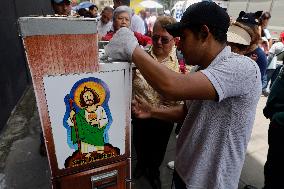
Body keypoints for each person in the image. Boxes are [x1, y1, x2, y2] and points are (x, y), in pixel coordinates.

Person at [105, 1, 261, 188]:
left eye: (184, 38)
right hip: (184, 171)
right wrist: (152, 111)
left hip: (210, 182)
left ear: (204, 33)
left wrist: (131, 48)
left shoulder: (242, 67)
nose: (179, 47)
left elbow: (172, 87)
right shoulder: (199, 69)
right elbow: (187, 112)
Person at [132, 16, 181, 189]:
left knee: (158, 148)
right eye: (155, 37)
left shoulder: (183, 63)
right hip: (139, 113)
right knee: (139, 142)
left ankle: (153, 172)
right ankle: (140, 166)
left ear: (175, 39)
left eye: (164, 39)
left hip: (164, 117)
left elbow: (185, 97)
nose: (158, 42)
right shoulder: (141, 56)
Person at [67, 87, 108, 153]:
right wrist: (72, 116)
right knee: (87, 155)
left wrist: (97, 122)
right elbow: (72, 123)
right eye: (85, 97)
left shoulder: (100, 109)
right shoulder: (82, 112)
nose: (88, 98)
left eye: (90, 95)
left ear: (94, 96)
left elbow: (105, 120)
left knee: (99, 153)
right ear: (83, 99)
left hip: (97, 137)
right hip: (86, 140)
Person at [262, 66, 284, 189]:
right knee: (272, 164)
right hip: (276, 121)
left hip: (280, 124)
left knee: (277, 168)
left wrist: (279, 117)